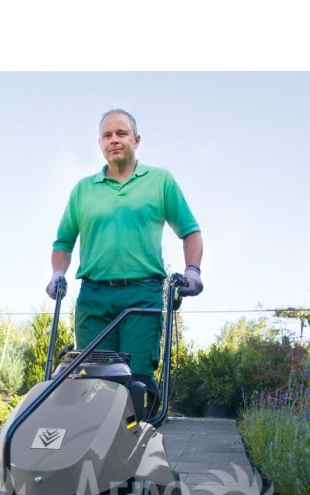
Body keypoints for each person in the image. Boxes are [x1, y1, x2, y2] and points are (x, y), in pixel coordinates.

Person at [46, 108, 204, 395]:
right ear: (100, 144)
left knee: (137, 384)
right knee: (92, 384)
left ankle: (137, 425)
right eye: (107, 135)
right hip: (94, 298)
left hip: (142, 295)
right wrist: (58, 273)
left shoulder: (160, 181)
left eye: (121, 133)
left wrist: (193, 270)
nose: (114, 140)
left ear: (136, 140)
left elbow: (190, 231)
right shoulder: (83, 190)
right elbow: (63, 243)